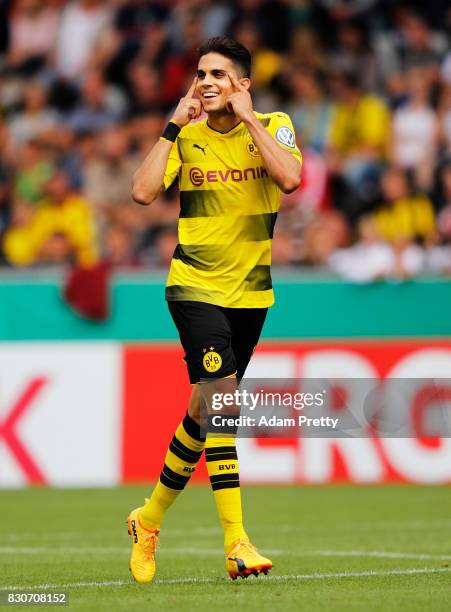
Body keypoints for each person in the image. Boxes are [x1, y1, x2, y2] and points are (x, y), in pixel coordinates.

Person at [127, 36, 302, 583]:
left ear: (243, 85)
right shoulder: (188, 137)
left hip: (251, 292)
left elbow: (291, 179)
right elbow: (142, 192)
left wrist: (251, 122)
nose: (205, 82)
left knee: (203, 413)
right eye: (201, 74)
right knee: (224, 403)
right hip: (194, 287)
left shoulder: (274, 125)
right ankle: (237, 542)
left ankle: (148, 518)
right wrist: (171, 127)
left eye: (219, 75)